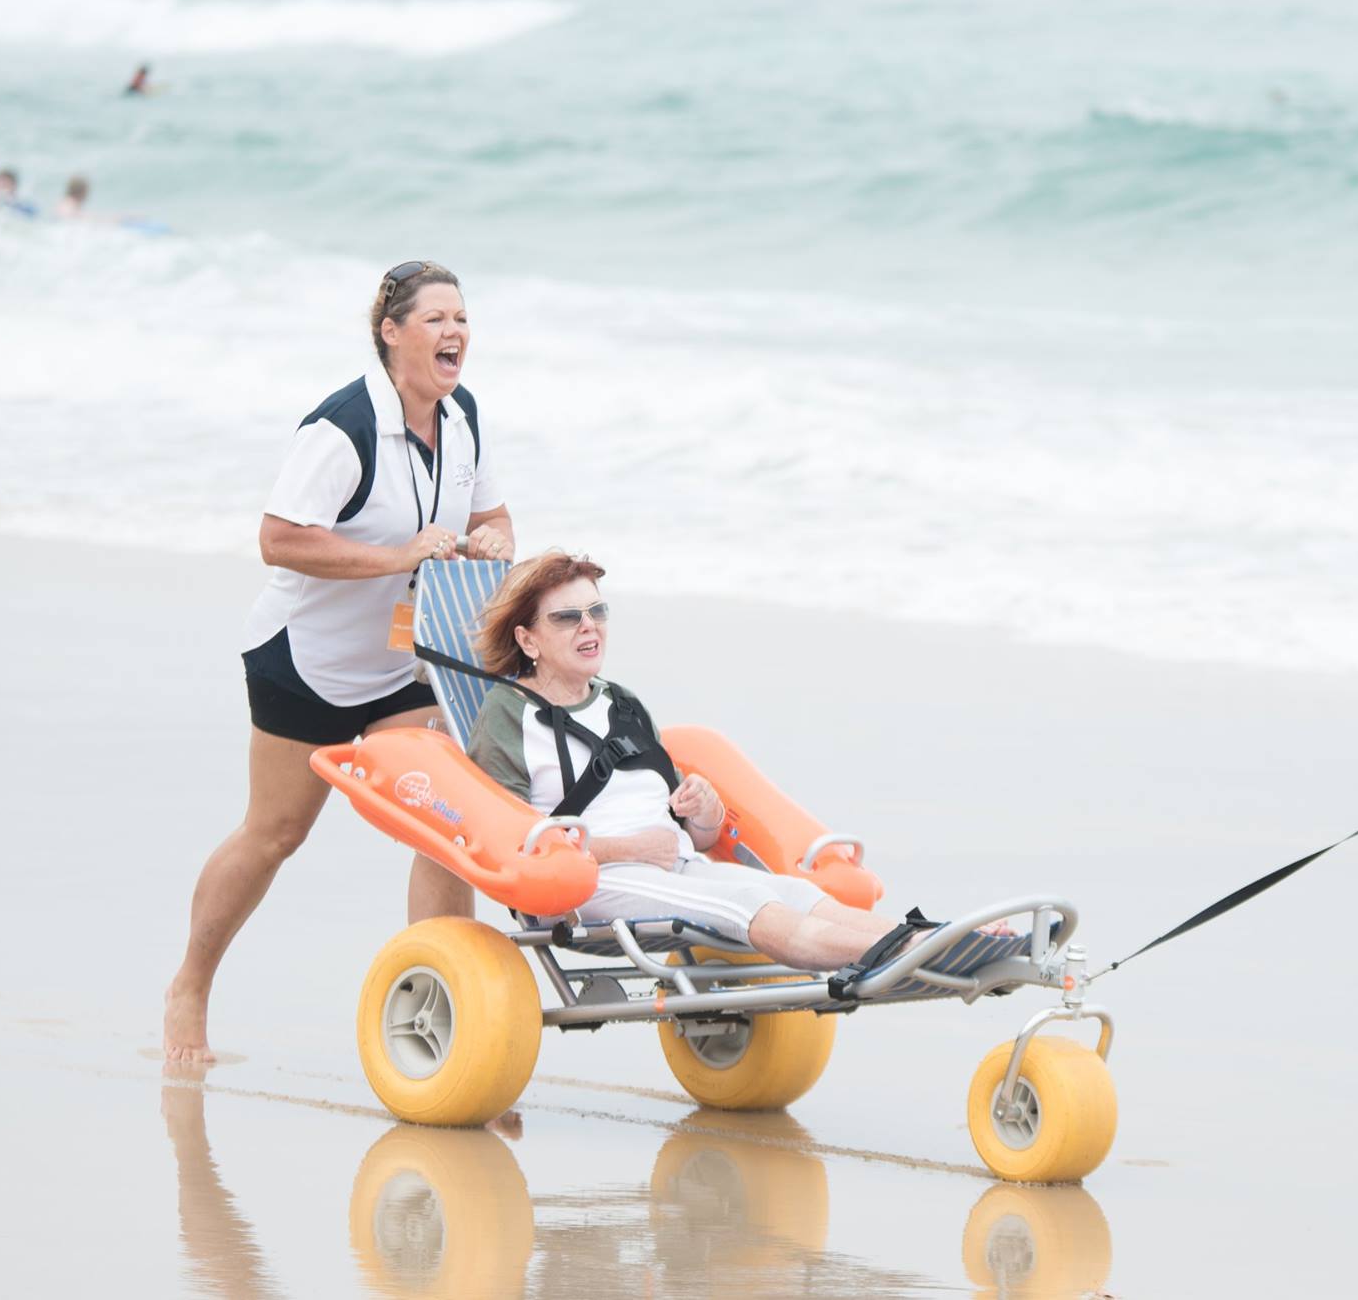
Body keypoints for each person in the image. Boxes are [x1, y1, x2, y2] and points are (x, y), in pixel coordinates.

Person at [164, 261, 516, 1062]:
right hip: (305, 662)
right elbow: (278, 539)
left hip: (403, 670)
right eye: (435, 319)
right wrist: (397, 557)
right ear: (390, 332)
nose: (455, 332)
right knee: (275, 833)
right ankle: (190, 984)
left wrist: (495, 539)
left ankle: (450, 1020)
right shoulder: (343, 426)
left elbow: (493, 514)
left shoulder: (463, 416)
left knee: (447, 822)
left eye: (462, 318)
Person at [466, 553, 910, 969]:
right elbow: (513, 844)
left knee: (794, 892)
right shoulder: (509, 714)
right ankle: (902, 956)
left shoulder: (622, 703)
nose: (589, 626)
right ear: (527, 639)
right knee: (744, 903)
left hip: (675, 868)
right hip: (584, 885)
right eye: (567, 617)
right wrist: (631, 849)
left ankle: (923, 940)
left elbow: (694, 837)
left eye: (597, 611)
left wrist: (705, 812)